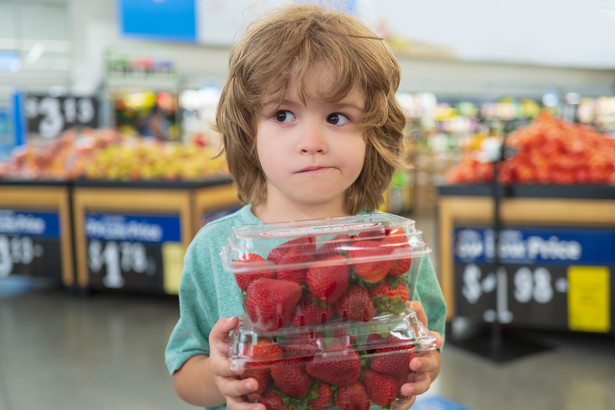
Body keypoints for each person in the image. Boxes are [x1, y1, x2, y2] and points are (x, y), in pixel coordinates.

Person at [165, 4, 446, 409]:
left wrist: (420, 370)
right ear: (248, 132)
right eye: (283, 114)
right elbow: (183, 372)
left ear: (374, 134)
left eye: (337, 116)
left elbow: (428, 346)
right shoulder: (213, 249)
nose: (312, 140)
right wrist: (218, 377)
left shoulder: (392, 247)